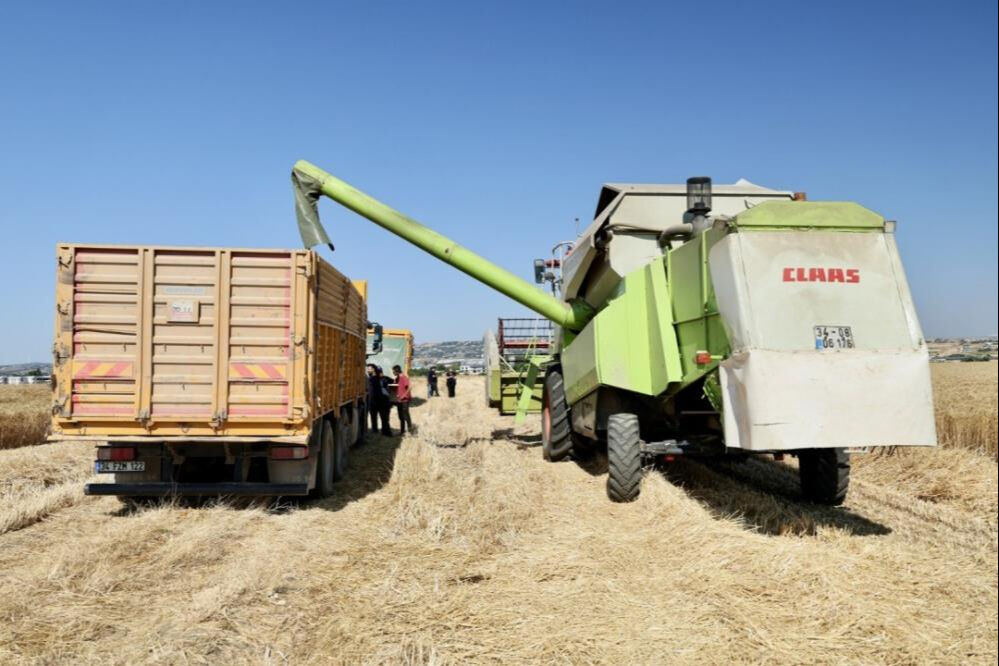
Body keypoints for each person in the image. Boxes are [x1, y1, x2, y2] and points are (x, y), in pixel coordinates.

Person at [393, 364, 413, 434]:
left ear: (397, 371)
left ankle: (411, 430)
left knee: (406, 415)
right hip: (399, 400)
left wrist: (403, 396)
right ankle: (402, 431)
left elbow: (409, 387)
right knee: (400, 416)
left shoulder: (403, 377)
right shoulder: (397, 378)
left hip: (404, 400)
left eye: (393, 371)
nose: (393, 373)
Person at [375, 366, 392, 435]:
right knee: (384, 417)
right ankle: (385, 431)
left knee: (385, 417)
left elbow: (393, 381)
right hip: (382, 401)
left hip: (384, 401)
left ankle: (385, 431)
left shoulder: (385, 378)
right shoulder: (376, 379)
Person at [366, 364, 381, 433]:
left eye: (369, 369)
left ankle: (374, 429)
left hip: (374, 400)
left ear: (373, 370)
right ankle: (374, 428)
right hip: (373, 399)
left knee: (373, 415)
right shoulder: (373, 377)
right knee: (373, 415)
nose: (367, 370)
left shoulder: (374, 378)